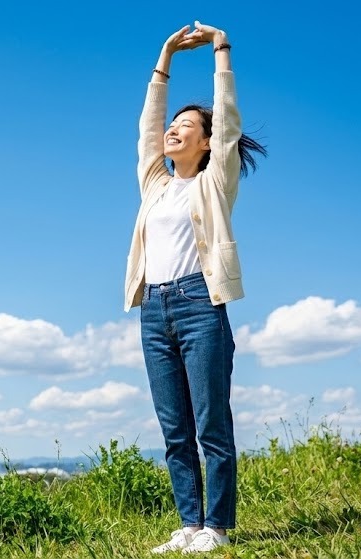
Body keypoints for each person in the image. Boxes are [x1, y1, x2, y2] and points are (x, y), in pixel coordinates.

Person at [123, 21, 267, 554]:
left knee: (211, 423)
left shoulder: (213, 182)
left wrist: (220, 50)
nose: (174, 130)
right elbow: (146, 128)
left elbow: (227, 121)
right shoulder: (155, 185)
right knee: (174, 427)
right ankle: (189, 525)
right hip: (153, 309)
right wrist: (164, 57)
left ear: (206, 144)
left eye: (188, 126)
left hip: (200, 305)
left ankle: (218, 528)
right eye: (174, 124)